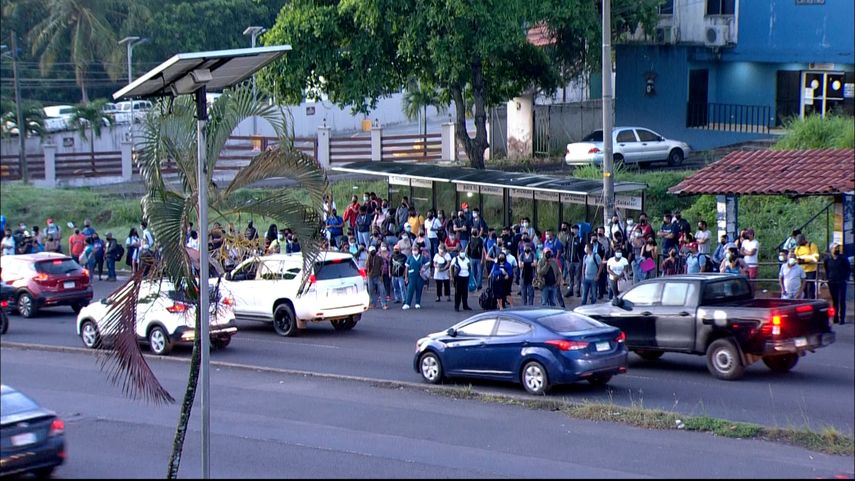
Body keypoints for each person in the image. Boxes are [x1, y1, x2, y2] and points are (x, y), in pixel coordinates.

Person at [824, 243, 851, 324]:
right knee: (835, 300)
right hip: (832, 281)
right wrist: (828, 279)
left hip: (841, 281)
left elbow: (848, 268)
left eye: (838, 248)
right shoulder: (827, 259)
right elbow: (826, 269)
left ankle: (842, 318)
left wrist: (846, 278)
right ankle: (835, 318)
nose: (837, 249)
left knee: (842, 300)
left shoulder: (843, 258)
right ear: (831, 249)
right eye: (835, 248)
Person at [794, 234, 820, 299]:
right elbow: (795, 256)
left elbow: (816, 257)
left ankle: (811, 300)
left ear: (804, 240)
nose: (799, 244)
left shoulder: (811, 245)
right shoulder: (798, 248)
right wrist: (797, 260)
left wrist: (804, 260)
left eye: (800, 242)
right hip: (801, 269)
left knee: (810, 286)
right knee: (803, 287)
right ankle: (804, 299)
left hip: (811, 270)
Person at [403, 246, 429, 310]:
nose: (414, 251)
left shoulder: (422, 257)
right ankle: (407, 303)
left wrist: (424, 268)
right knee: (410, 289)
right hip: (411, 276)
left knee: (419, 289)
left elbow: (428, 264)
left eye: (415, 249)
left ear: (418, 250)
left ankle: (417, 303)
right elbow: (406, 267)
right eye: (413, 250)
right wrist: (406, 277)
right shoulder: (410, 258)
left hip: (420, 276)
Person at [366, 246, 388, 310]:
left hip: (378, 276)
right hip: (370, 276)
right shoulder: (368, 259)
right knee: (371, 290)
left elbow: (382, 266)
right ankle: (372, 303)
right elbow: (367, 266)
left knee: (382, 290)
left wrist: (381, 275)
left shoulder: (379, 258)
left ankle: (384, 304)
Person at [466, 227, 484, 292]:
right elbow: (467, 249)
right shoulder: (470, 239)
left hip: (479, 258)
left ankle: (478, 286)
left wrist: (482, 259)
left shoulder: (480, 240)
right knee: (473, 272)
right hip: (471, 258)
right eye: (473, 230)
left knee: (479, 273)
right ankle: (473, 285)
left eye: (475, 230)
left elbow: (482, 250)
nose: (474, 232)